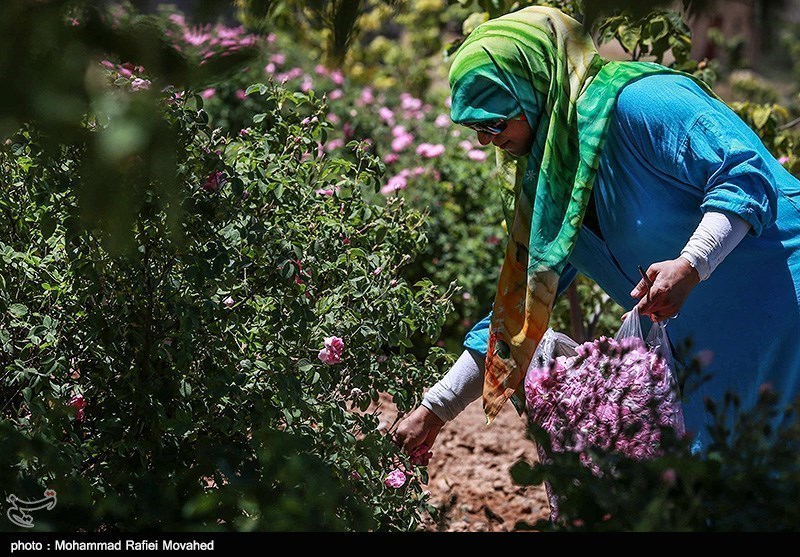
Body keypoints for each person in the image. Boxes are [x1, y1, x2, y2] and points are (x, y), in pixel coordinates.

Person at [395, 6, 800, 456]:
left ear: (537, 88)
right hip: (711, 339)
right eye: (475, 128)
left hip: (782, 298)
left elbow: (743, 174)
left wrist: (692, 263)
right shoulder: (553, 179)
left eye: (495, 122)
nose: (486, 141)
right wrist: (434, 411)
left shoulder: (646, 103)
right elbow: (520, 312)